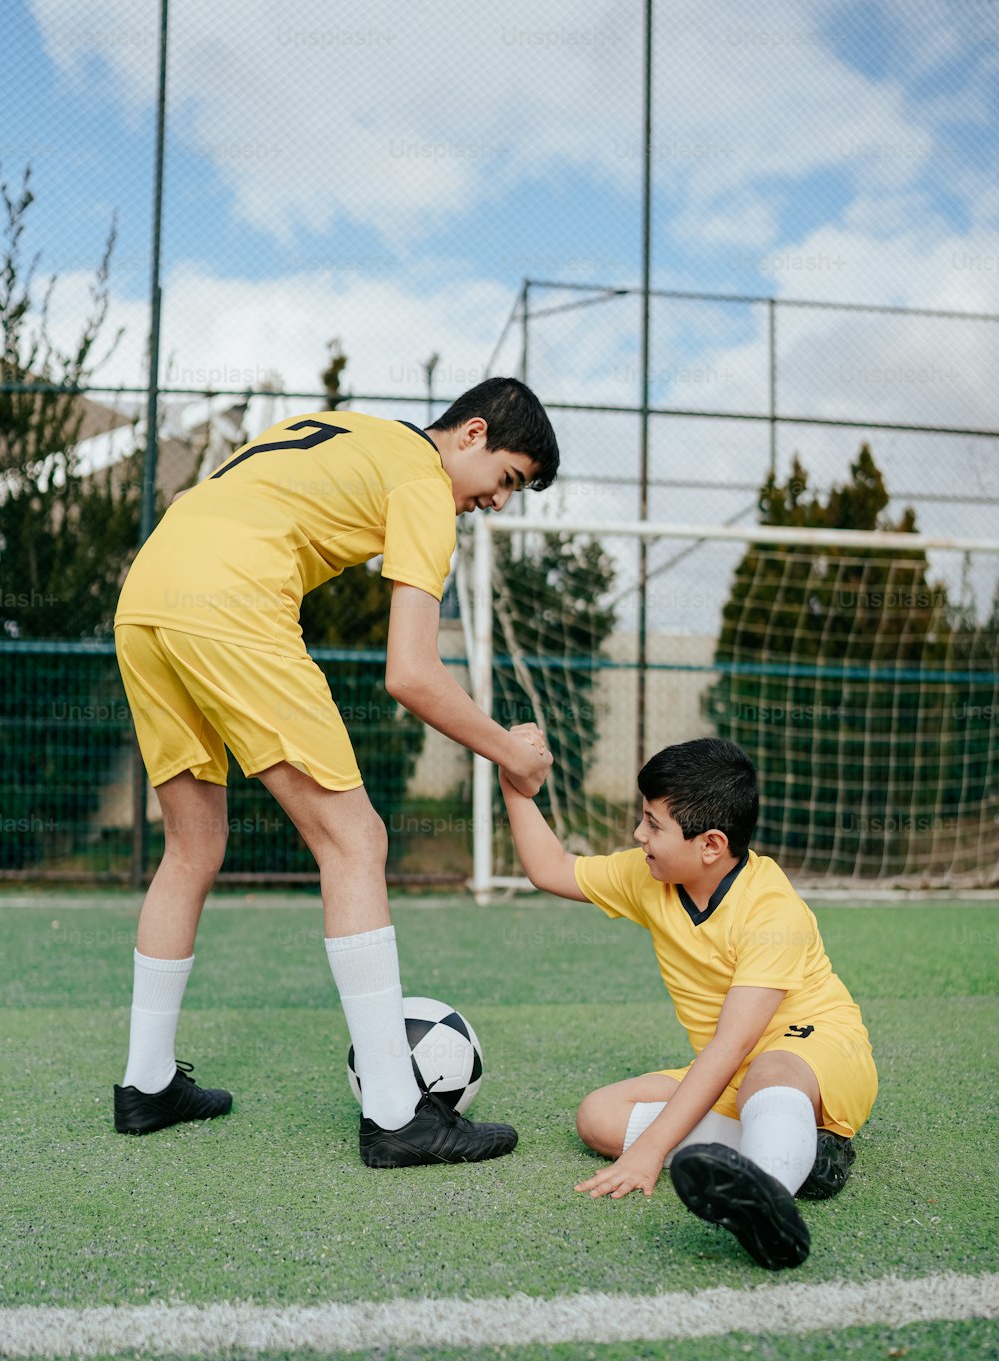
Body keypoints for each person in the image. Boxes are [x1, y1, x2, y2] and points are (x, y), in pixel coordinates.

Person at [113, 376, 556, 1166]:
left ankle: (147, 1084)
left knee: (192, 846)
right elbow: (411, 673)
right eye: (507, 480)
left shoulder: (353, 429)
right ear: (473, 434)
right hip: (227, 598)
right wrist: (508, 750)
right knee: (355, 841)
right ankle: (395, 1114)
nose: (497, 502)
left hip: (146, 596)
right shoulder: (424, 479)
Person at [499, 734, 877, 1269]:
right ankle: (805, 1153)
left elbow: (732, 1044)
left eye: (654, 824)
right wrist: (515, 783)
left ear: (711, 845)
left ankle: (769, 1194)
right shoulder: (651, 874)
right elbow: (552, 868)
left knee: (768, 1072)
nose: (638, 834)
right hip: (731, 1069)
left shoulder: (772, 910)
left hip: (815, 1055)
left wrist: (652, 1150)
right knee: (599, 1117)